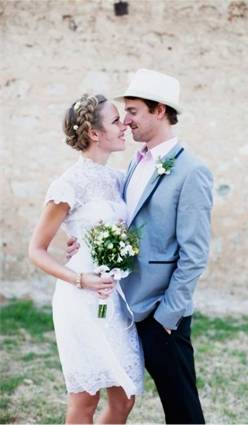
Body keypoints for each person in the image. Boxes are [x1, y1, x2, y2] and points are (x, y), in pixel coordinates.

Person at [67, 69, 213, 424]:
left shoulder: (192, 171)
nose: (126, 120)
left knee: (183, 411)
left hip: (161, 313)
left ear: (159, 110)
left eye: (132, 111)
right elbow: (120, 218)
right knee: (119, 397)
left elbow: (195, 254)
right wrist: (82, 241)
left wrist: (167, 316)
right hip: (121, 307)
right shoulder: (136, 161)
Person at [28, 93, 144, 424]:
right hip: (80, 300)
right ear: (94, 133)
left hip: (115, 299)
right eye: (116, 121)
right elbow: (36, 250)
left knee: (125, 397)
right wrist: (81, 279)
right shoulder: (68, 184)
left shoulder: (118, 179)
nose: (124, 126)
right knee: (85, 399)